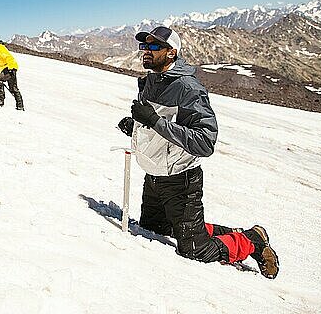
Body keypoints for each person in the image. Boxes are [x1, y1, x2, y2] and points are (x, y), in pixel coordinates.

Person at [117, 26, 279, 279]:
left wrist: (154, 123)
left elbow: (205, 141)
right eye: (144, 46)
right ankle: (224, 232)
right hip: (154, 175)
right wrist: (136, 127)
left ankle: (252, 241)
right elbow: (162, 123)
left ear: (171, 53)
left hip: (181, 180)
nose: (146, 52)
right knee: (154, 229)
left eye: (153, 47)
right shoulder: (149, 81)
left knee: (194, 249)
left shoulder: (188, 88)